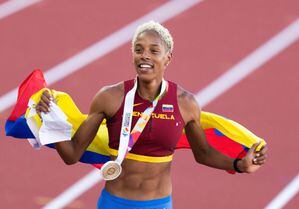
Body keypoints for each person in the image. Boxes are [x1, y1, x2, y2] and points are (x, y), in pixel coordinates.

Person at [36, 21, 267, 209]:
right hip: (113, 203)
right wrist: (49, 120)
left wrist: (238, 165)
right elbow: (72, 154)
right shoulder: (110, 97)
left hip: (158, 205)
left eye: (153, 50)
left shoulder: (185, 103)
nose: (144, 55)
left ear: (168, 58)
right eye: (139, 49)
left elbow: (203, 153)